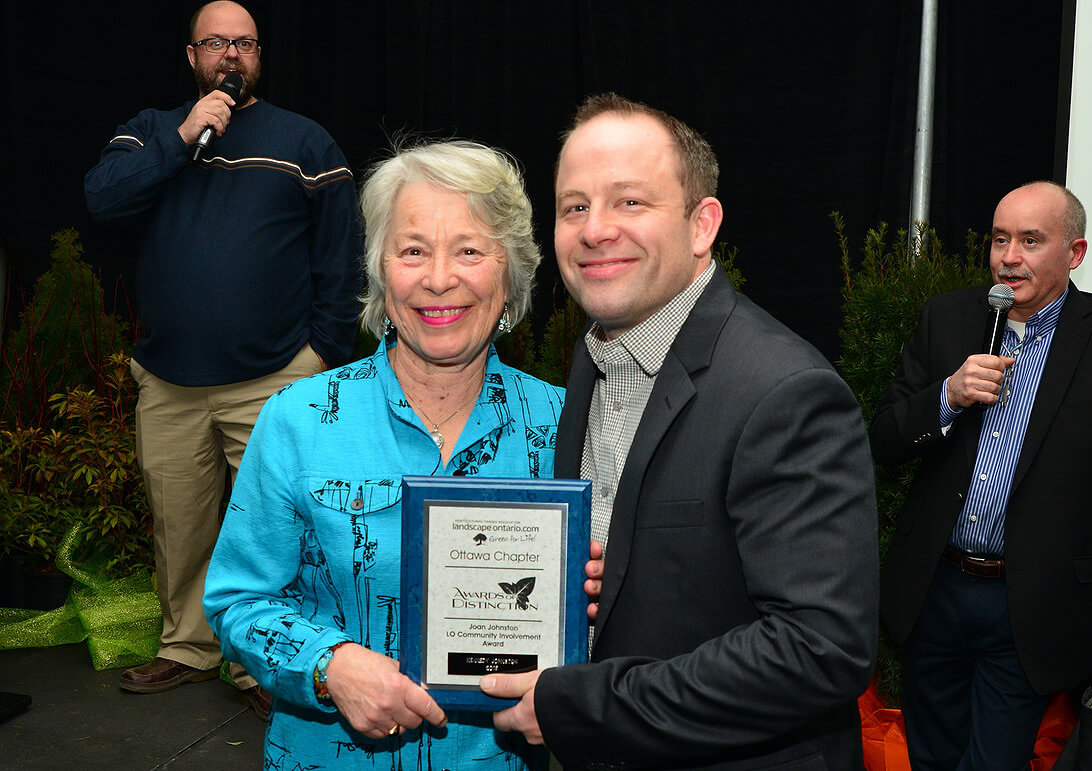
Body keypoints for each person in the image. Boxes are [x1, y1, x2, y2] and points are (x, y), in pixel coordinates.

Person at [481, 93, 879, 769]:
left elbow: (818, 648)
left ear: (702, 225)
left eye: (629, 201)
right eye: (574, 206)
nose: (594, 229)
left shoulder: (783, 393)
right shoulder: (594, 355)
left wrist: (579, 704)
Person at [203, 140, 564, 769]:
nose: (438, 278)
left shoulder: (567, 426)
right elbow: (237, 601)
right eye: (413, 250)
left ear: (510, 276)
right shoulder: (301, 419)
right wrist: (329, 666)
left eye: (470, 250)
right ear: (379, 271)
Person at [83, 0, 360, 715]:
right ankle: (188, 645)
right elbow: (104, 201)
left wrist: (320, 353)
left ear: (260, 55)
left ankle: (263, 663)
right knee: (179, 519)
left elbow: (341, 259)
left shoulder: (304, 140)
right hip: (170, 378)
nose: (230, 55)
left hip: (273, 376)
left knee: (275, 526)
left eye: (244, 43)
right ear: (191, 56)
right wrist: (183, 135)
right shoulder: (150, 132)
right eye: (216, 43)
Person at [869, 181, 1092, 770]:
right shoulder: (948, 318)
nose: (1009, 257)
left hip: (1033, 603)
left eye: (1030, 240)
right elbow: (884, 439)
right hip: (936, 588)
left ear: (1074, 254)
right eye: (1001, 239)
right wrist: (946, 396)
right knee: (931, 758)